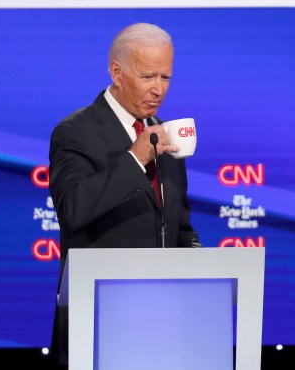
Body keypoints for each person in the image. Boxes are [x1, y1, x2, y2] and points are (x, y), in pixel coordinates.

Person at [48, 23, 201, 367]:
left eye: (166, 78)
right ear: (117, 73)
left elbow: (178, 226)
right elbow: (73, 209)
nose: (158, 89)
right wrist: (136, 159)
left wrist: (200, 260)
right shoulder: (75, 132)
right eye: (148, 77)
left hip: (166, 325)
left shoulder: (163, 133)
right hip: (99, 320)